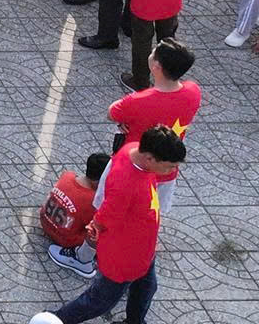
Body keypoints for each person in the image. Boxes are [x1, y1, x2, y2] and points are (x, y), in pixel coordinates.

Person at [26, 126, 187, 324]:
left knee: (146, 287)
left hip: (144, 249)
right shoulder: (127, 185)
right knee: (100, 301)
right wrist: (97, 226)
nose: (173, 171)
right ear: (150, 158)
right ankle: (54, 320)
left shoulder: (132, 149)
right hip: (126, 257)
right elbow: (107, 214)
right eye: (170, 166)